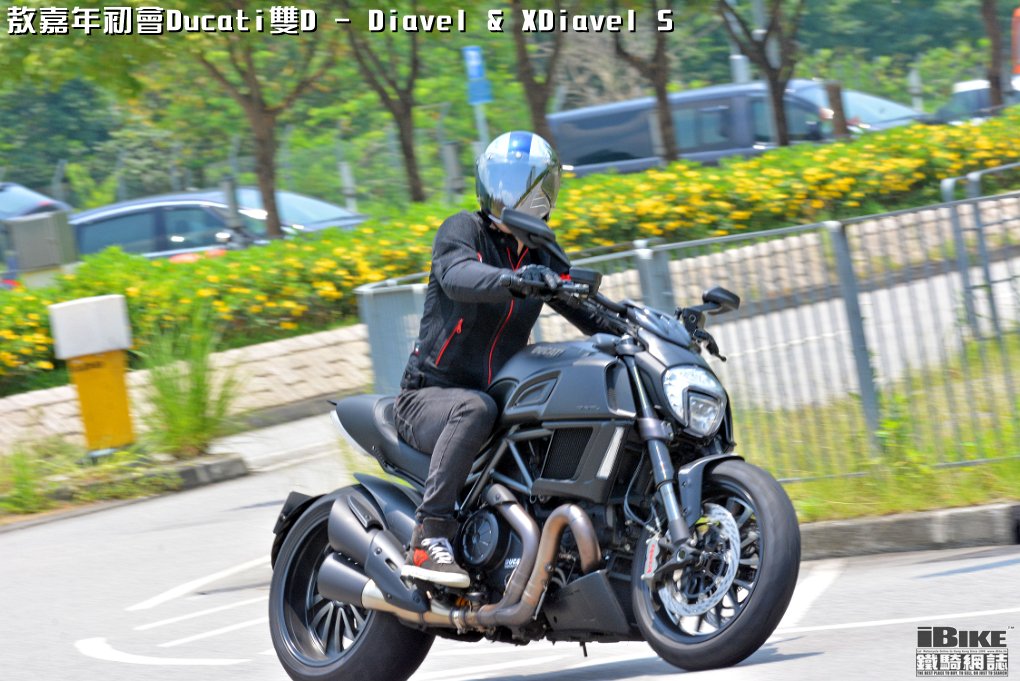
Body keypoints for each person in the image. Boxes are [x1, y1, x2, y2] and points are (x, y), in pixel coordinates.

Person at [396, 131, 609, 587]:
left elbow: (585, 307)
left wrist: (644, 330)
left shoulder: (541, 250)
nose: (521, 196)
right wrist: (513, 280)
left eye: (533, 186)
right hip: (429, 396)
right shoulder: (462, 229)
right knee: (475, 408)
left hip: (498, 401)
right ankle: (429, 535)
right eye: (510, 183)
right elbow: (458, 275)